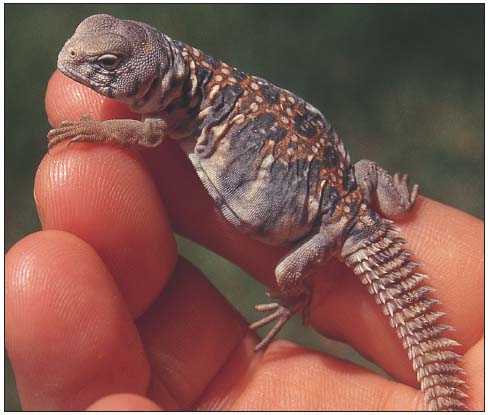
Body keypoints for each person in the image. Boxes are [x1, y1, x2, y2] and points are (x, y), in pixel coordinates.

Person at [5, 70, 483, 411]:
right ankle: (391, 199)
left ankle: (301, 295)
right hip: (356, 188)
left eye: (106, 68)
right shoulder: (192, 85)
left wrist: (96, 128)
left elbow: (150, 134)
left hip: (335, 229)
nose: (77, 63)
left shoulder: (176, 102)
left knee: (285, 273)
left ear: (151, 74)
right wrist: (393, 200)